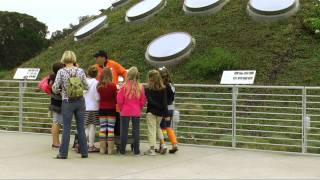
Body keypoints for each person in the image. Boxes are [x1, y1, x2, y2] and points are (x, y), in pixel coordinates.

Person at [52, 50, 88, 159]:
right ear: (74, 58)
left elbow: (54, 88)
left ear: (63, 59)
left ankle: (63, 154)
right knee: (81, 127)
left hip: (67, 102)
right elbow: (86, 86)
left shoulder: (61, 72)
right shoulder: (81, 71)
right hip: (80, 101)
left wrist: (60, 91)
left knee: (66, 128)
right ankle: (84, 152)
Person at [117, 67, 146, 155]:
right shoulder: (141, 86)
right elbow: (143, 100)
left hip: (125, 110)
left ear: (128, 74)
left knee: (124, 131)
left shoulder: (124, 86)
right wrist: (139, 108)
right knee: (136, 131)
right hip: (136, 111)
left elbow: (119, 99)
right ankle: (136, 150)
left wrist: (121, 108)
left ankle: (122, 150)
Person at [144, 70, 168, 156]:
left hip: (151, 112)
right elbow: (165, 103)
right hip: (160, 113)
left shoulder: (148, 89)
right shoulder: (163, 88)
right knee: (158, 128)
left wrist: (155, 105)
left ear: (150, 78)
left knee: (152, 130)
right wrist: (166, 113)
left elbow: (149, 101)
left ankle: (152, 149)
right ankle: (163, 145)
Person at [97, 68, 117, 155]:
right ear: (110, 75)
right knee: (110, 129)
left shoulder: (99, 86)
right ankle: (110, 149)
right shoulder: (113, 85)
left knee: (102, 129)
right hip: (111, 109)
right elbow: (116, 98)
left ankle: (102, 149)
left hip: (102, 109)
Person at [158, 67, 178, 154]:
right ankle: (174, 144)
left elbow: (162, 99)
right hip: (171, 108)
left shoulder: (163, 86)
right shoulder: (172, 85)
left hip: (164, 109)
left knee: (162, 127)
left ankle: (163, 146)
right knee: (168, 127)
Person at [84, 66, 100, 152]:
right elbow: (97, 97)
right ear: (96, 74)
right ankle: (91, 145)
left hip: (84, 107)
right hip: (93, 107)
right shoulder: (96, 83)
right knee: (92, 127)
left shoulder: (84, 82)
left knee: (86, 126)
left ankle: (83, 144)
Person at [49, 62, 64, 149]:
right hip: (58, 103)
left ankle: (56, 142)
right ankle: (56, 143)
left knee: (56, 122)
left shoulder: (51, 77)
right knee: (57, 122)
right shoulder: (57, 79)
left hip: (54, 102)